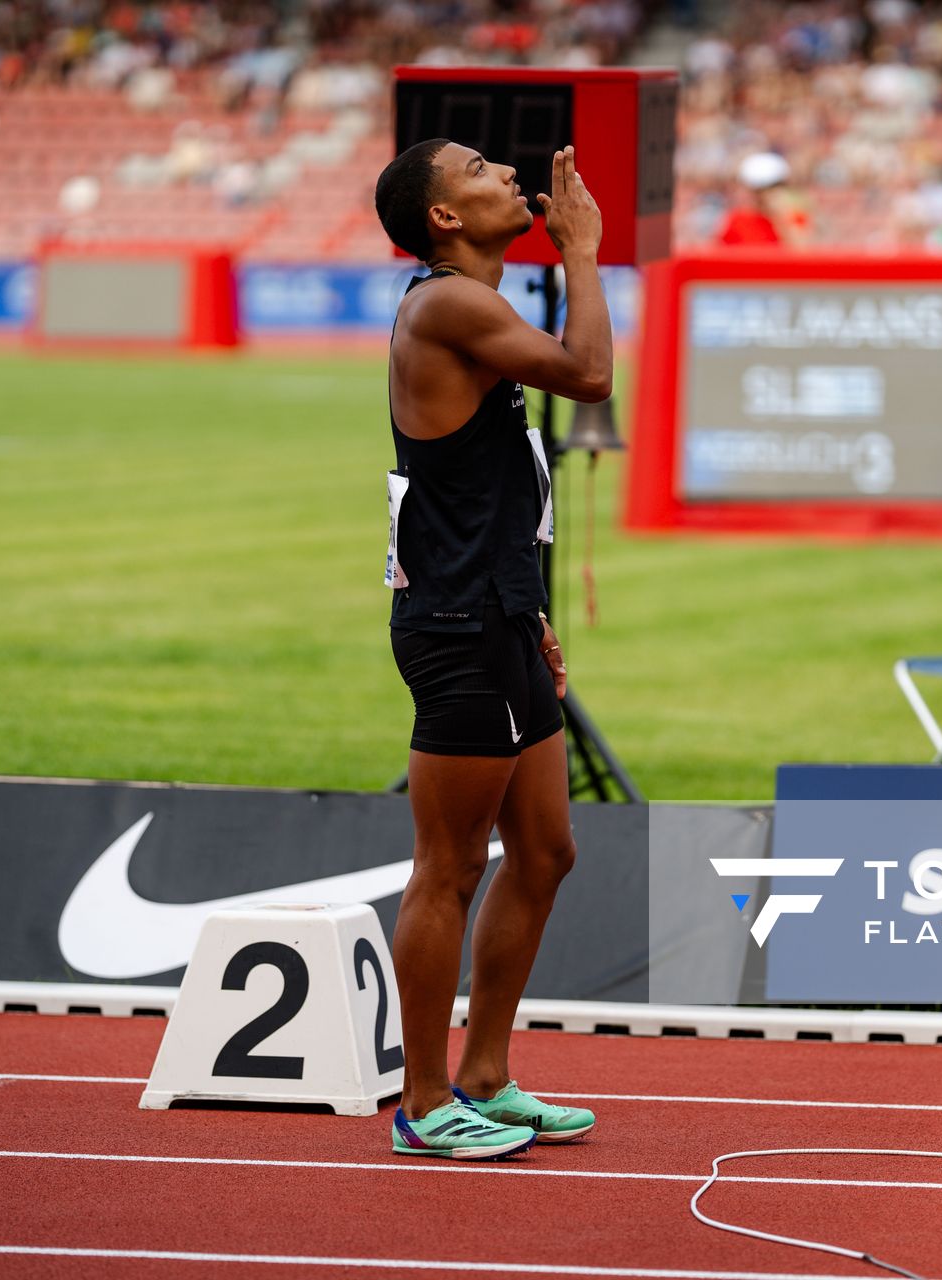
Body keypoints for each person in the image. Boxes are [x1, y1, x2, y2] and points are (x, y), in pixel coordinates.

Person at [370, 139, 605, 1160]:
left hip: (500, 611)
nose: (506, 170)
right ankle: (423, 1102)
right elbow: (589, 374)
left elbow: (495, 486)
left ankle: (486, 1074)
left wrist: (533, 607)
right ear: (444, 219)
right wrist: (585, 252)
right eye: (475, 168)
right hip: (458, 624)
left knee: (547, 848)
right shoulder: (446, 304)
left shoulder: (477, 306)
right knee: (450, 865)